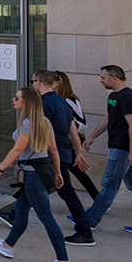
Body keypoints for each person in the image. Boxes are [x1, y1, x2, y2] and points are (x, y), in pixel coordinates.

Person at [0, 71, 95, 247]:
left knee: (66, 193)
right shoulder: (63, 102)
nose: (32, 84)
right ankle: (13, 220)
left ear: (39, 83)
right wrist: (78, 153)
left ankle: (84, 232)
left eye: (33, 81)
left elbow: (39, 132)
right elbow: (73, 131)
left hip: (50, 156)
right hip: (63, 151)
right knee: (31, 190)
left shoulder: (44, 104)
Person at [0, 87, 75, 262]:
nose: (13, 99)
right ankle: (8, 245)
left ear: (26, 103)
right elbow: (54, 151)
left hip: (33, 177)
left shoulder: (27, 124)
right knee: (21, 210)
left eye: (16, 97)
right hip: (41, 174)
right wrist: (57, 173)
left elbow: (17, 150)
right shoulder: (45, 122)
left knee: (47, 219)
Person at [77, 66, 132, 237]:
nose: (101, 80)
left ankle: (89, 220)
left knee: (109, 185)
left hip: (123, 149)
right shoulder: (114, 97)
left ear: (114, 78)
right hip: (119, 147)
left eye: (103, 78)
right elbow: (108, 118)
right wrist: (92, 137)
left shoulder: (128, 97)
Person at [54, 71, 100, 200]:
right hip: (63, 140)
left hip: (68, 141)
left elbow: (81, 122)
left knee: (77, 172)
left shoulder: (69, 99)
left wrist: (66, 128)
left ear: (59, 83)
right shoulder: (57, 99)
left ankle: (98, 199)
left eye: (53, 81)